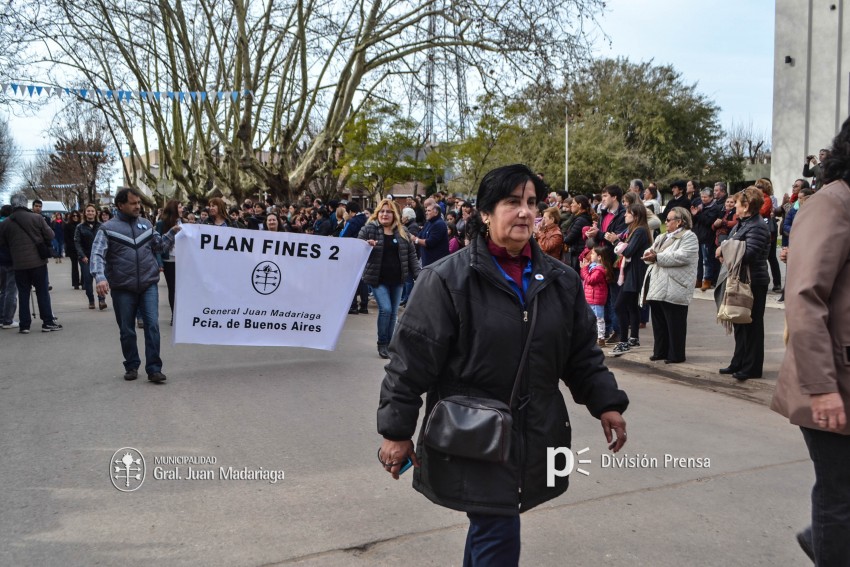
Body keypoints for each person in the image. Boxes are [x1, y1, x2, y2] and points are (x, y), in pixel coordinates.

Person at [377, 165, 628, 565]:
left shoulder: (561, 281)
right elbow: (409, 363)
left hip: (534, 432)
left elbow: (580, 354)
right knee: (499, 529)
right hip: (474, 434)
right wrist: (396, 430)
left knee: (491, 526)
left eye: (532, 203)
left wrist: (606, 402)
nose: (526, 212)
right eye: (512, 202)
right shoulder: (446, 279)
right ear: (485, 213)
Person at [771, 121, 850, 564]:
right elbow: (804, 298)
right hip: (832, 379)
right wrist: (822, 387)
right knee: (840, 495)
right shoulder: (832, 204)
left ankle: (820, 540)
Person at [91, 188, 180, 383]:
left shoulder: (146, 224)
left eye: (139, 203)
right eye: (133, 203)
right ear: (120, 205)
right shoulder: (107, 228)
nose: (138, 206)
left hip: (148, 283)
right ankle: (131, 365)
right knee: (127, 329)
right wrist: (100, 276)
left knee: (152, 326)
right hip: (123, 287)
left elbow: (159, 246)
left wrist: (172, 233)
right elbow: (97, 254)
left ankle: (154, 368)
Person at [717, 187, 770, 380]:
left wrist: (724, 249)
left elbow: (750, 253)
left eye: (737, 204)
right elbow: (734, 245)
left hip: (754, 281)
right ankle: (738, 362)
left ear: (746, 206)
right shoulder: (743, 224)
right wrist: (726, 248)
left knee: (752, 325)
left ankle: (752, 367)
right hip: (742, 279)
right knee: (740, 323)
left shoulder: (756, 225)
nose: (735, 207)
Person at [357, 199, 420, 359]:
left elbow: (411, 255)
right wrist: (365, 245)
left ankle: (391, 344)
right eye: (382, 211)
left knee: (393, 314)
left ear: (395, 215)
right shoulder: (369, 228)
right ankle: (382, 343)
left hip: (398, 279)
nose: (385, 214)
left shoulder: (403, 231)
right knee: (386, 309)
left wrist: (419, 275)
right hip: (377, 279)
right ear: (378, 213)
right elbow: (357, 247)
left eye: (389, 211)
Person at [640, 207, 699, 364]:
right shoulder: (662, 237)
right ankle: (660, 351)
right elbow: (651, 251)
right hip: (659, 284)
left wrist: (657, 257)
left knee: (675, 324)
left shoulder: (689, 237)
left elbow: (683, 256)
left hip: (675, 285)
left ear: (679, 222)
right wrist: (648, 255)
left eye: (669, 219)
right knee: (659, 322)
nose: (665, 222)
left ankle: (676, 354)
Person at [0, 192, 61, 333]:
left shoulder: (6, 223)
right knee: (42, 292)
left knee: (23, 293)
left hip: (18, 264)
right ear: (25, 203)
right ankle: (47, 322)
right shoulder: (36, 218)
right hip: (38, 262)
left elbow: (2, 243)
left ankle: (24, 325)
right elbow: (50, 235)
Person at [606, 201, 650, 356]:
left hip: (635, 274)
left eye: (628, 213)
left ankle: (624, 341)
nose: (625, 215)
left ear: (636, 215)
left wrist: (616, 241)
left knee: (619, 306)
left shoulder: (639, 231)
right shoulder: (634, 230)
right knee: (631, 306)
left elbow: (629, 251)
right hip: (632, 272)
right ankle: (634, 338)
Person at [580, 245, 615, 347]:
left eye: (593, 254)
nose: (591, 255)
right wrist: (585, 268)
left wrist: (584, 269)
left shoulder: (599, 269)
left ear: (599, 257)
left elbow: (590, 280)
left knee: (599, 319)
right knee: (591, 319)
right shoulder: (594, 267)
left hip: (596, 298)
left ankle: (601, 338)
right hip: (591, 297)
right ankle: (594, 337)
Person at [75, 204, 107, 310]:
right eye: (88, 211)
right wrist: (82, 255)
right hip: (86, 258)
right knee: (88, 281)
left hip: (98, 257)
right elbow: (77, 243)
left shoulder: (101, 226)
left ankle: (101, 300)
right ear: (85, 213)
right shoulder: (80, 227)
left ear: (96, 213)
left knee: (100, 278)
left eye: (92, 211)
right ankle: (91, 301)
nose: (90, 213)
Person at [155, 200, 182, 322]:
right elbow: (157, 245)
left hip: (183, 260)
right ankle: (174, 315)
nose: (182, 209)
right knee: (173, 288)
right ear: (174, 209)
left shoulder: (184, 222)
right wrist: (159, 262)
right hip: (169, 260)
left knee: (182, 288)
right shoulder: (161, 224)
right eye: (180, 207)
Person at [413, 202, 449, 267]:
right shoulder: (428, 223)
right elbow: (420, 235)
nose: (426, 213)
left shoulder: (439, 224)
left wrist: (415, 239)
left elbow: (429, 243)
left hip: (436, 264)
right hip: (426, 262)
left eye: (429, 211)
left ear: (436, 212)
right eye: (426, 210)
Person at [0, 204, 18, 328]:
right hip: (10, 260)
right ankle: (8, 319)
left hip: (1, 261)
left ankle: (1, 317)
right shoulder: (10, 225)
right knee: (11, 290)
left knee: (3, 290)